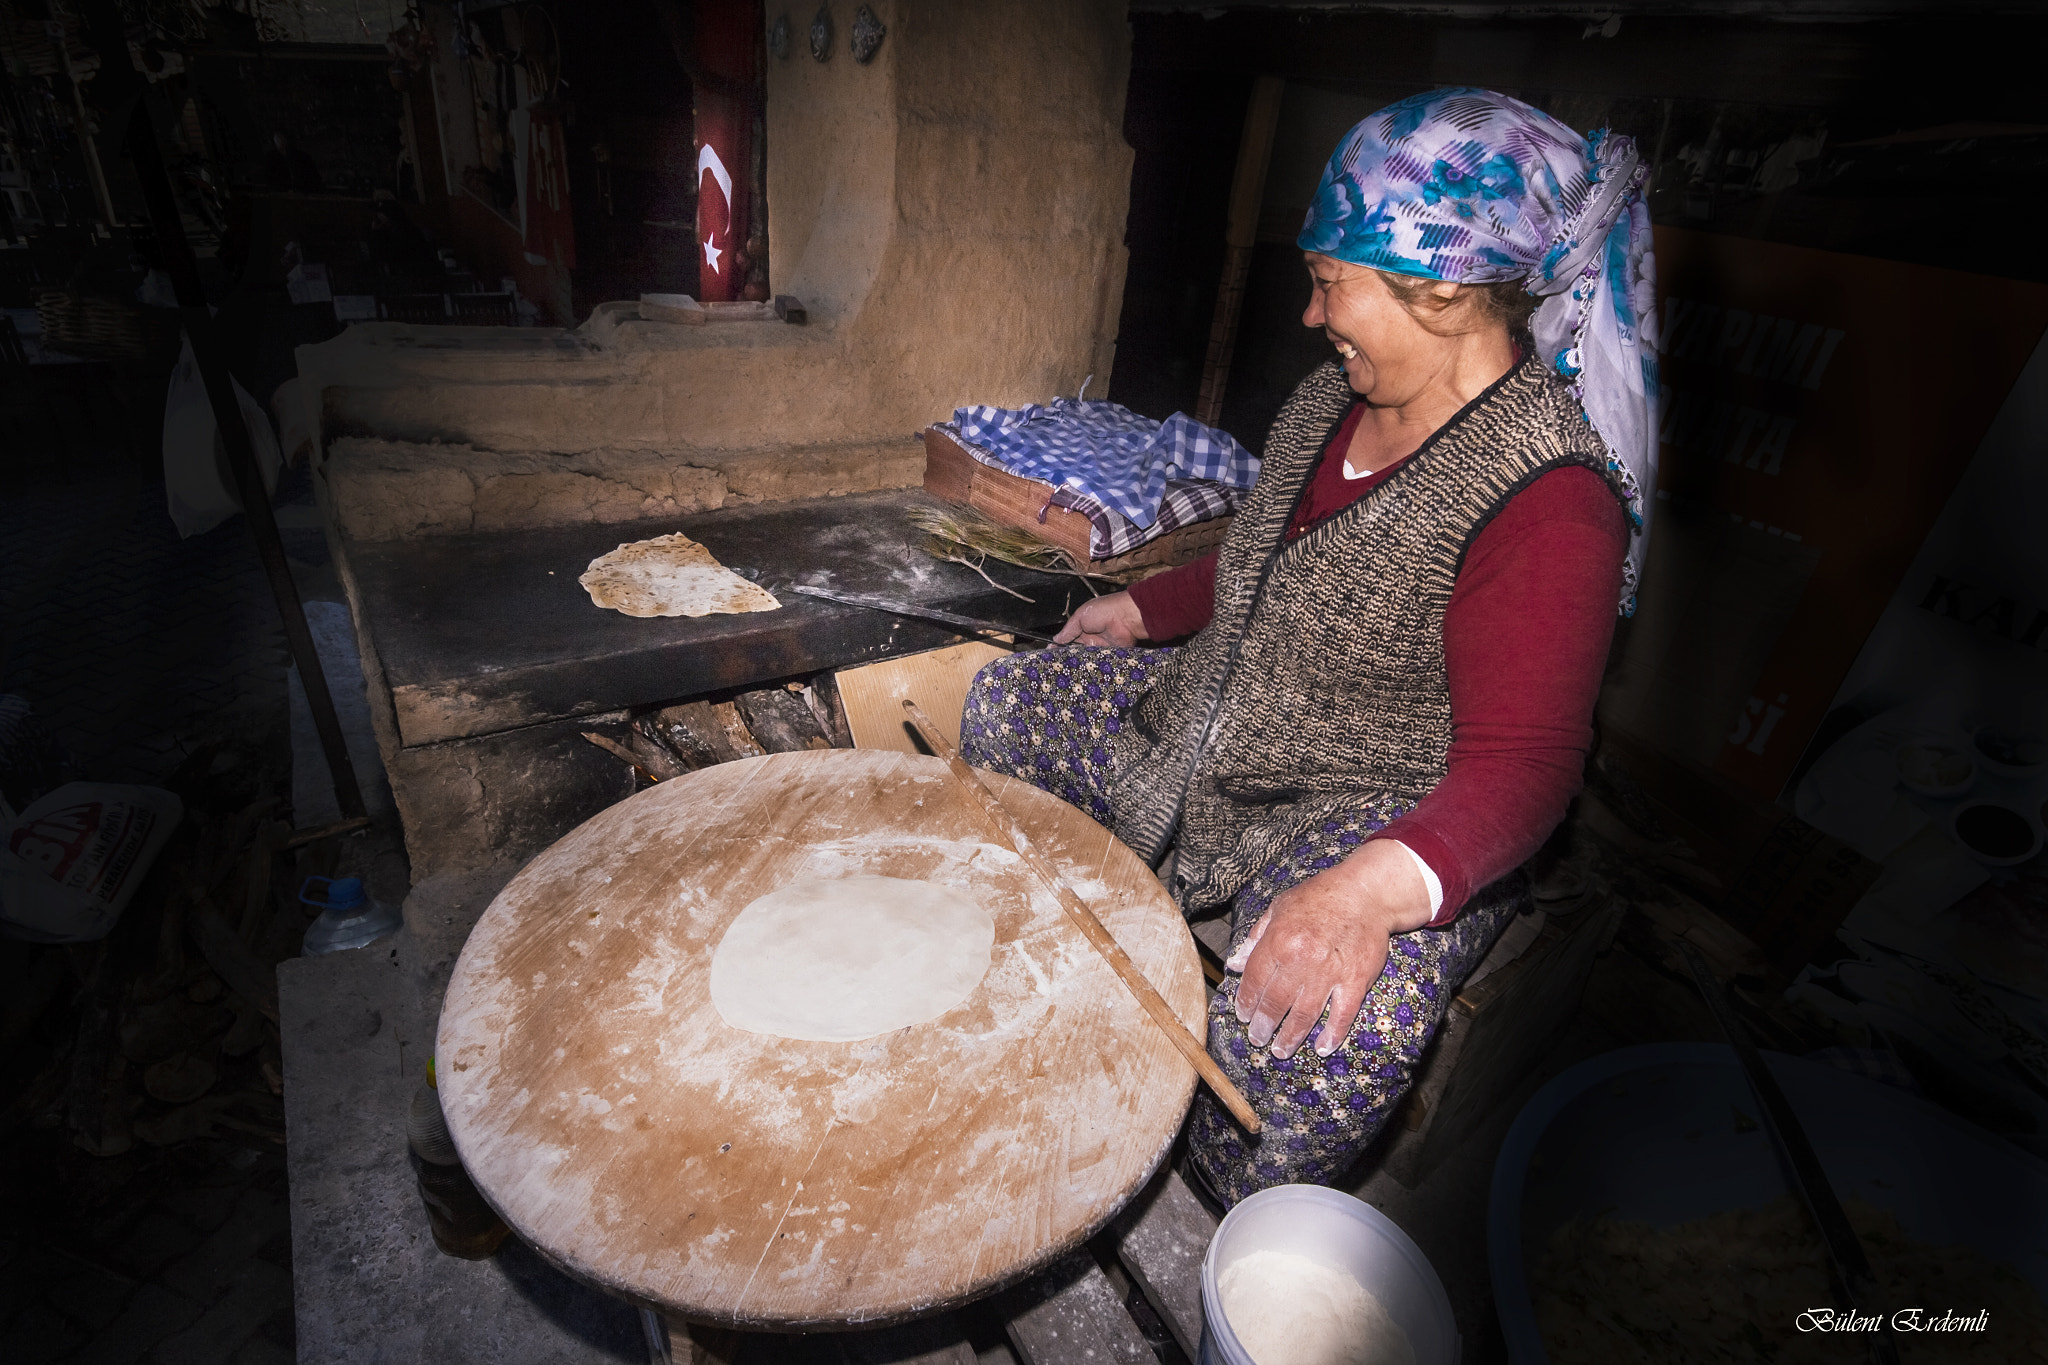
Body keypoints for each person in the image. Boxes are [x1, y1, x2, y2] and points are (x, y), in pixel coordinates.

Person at [959, 88, 1659, 1205]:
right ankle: (1074, 937)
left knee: (1321, 1040)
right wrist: (1143, 613)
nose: (1307, 312)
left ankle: (1207, 1189)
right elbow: (1265, 548)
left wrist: (1364, 896)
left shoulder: (1548, 497)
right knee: (1004, 701)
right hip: (1208, 720)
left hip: (1354, 806)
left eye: (1330, 280)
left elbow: (1525, 767)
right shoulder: (1331, 396)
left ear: (1433, 285)